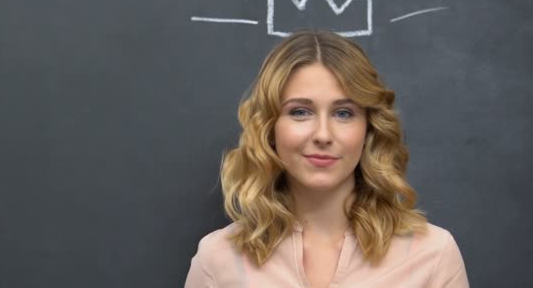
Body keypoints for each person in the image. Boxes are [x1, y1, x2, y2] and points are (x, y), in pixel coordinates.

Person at [185, 30, 469, 287]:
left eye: (343, 113)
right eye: (300, 112)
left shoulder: (433, 255)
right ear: (269, 127)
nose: (323, 134)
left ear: (369, 128)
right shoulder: (218, 260)